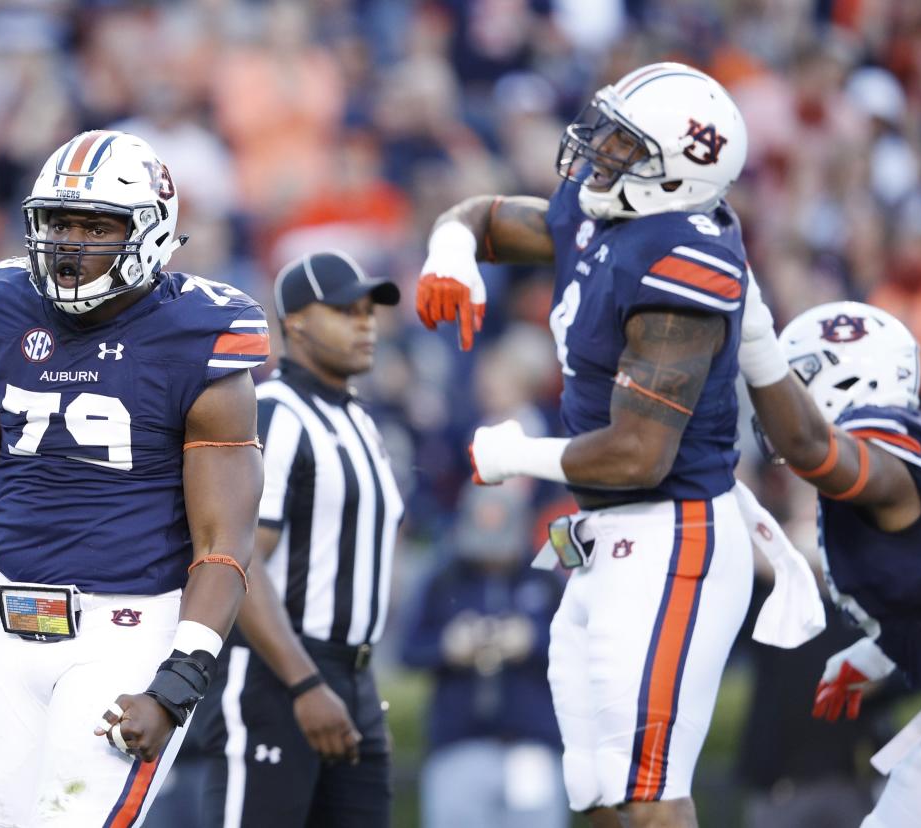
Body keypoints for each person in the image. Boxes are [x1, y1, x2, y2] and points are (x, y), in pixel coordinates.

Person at [0, 129, 270, 827]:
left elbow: (224, 539)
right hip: (6, 626)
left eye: (97, 225)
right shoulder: (0, 308)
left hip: (127, 632)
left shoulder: (200, 332)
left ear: (153, 232)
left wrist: (178, 680)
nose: (70, 243)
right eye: (59, 222)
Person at [415, 62, 755, 828]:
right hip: (605, 534)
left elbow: (640, 454)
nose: (598, 150)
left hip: (674, 532)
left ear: (675, 176)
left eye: (625, 146)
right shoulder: (605, 216)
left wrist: (514, 456)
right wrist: (451, 251)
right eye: (606, 131)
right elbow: (487, 215)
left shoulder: (680, 262)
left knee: (647, 795)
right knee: (599, 795)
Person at [739, 292, 921, 827]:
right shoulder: (900, 460)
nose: (777, 406)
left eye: (792, 385)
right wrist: (880, 653)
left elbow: (812, 447)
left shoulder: (888, 446)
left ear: (843, 378)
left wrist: (753, 335)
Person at [196, 250, 403, 828]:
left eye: (369, 311)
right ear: (297, 322)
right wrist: (304, 681)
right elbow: (236, 559)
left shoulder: (359, 417)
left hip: (354, 677)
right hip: (280, 672)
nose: (366, 324)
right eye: (346, 310)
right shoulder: (274, 412)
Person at [400, 483, 568, 828]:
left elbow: (581, 651)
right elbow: (407, 651)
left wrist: (533, 640)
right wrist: (448, 647)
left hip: (531, 747)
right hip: (459, 746)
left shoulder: (545, 580)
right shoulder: (443, 579)